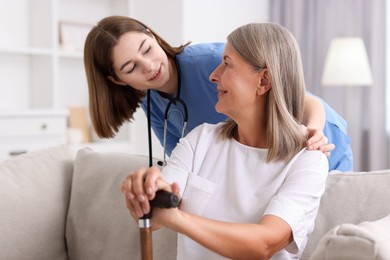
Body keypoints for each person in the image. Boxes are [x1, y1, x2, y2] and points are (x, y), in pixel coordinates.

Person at [121, 22, 329, 259]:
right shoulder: (200, 139)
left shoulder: (308, 161)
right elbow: (156, 211)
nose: (213, 75)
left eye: (227, 64)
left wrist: (177, 219)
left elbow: (264, 244)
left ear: (263, 81)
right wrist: (147, 191)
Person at [84, 15, 351, 171]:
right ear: (117, 80)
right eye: (131, 67)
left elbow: (302, 99)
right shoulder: (151, 103)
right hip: (265, 164)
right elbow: (185, 160)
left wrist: (314, 131)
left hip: (316, 137)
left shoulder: (214, 61)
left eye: (146, 49)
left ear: (152, 35)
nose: (150, 66)